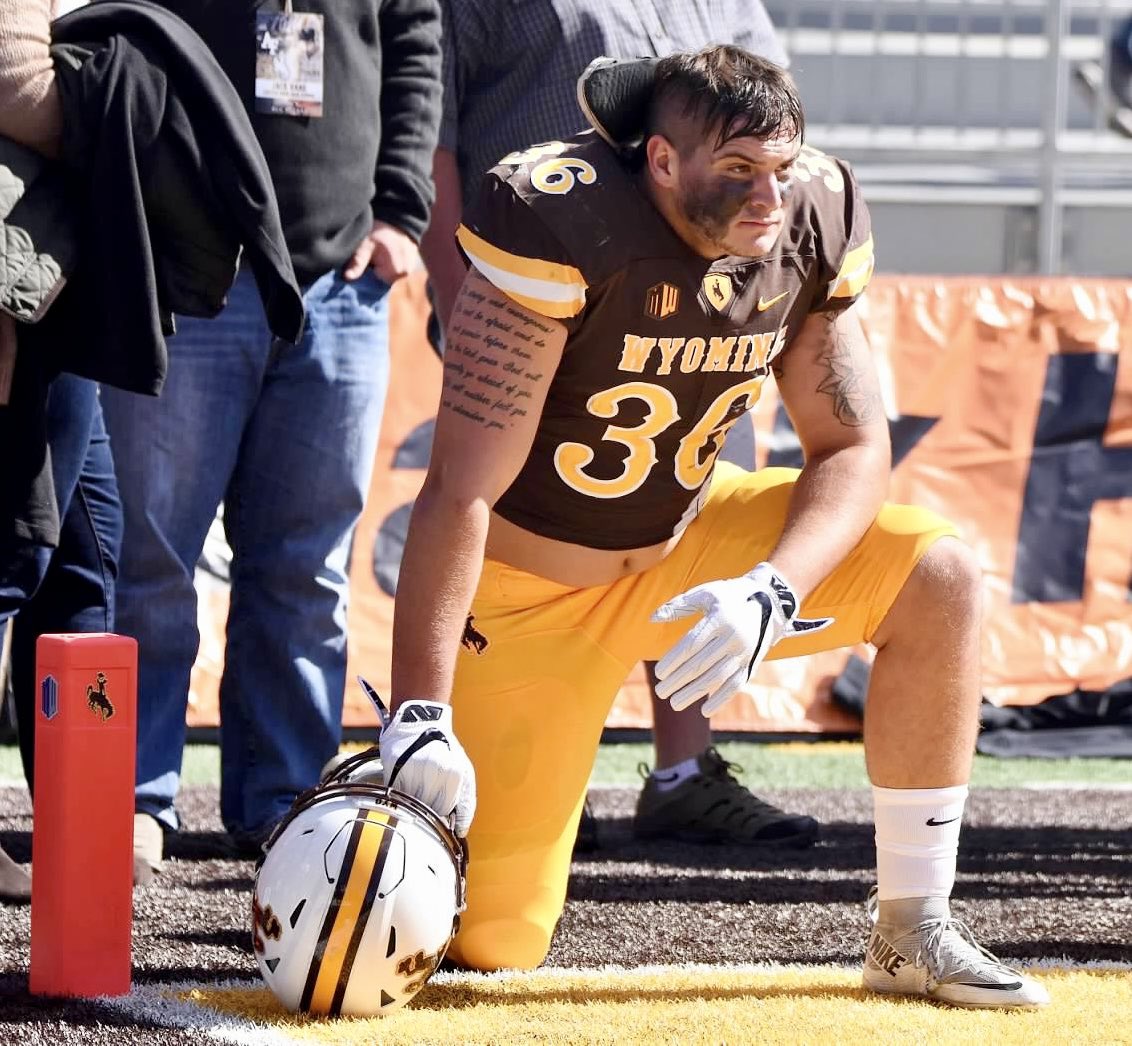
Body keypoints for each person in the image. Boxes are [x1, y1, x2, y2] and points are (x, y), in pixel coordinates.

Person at [378, 46, 1050, 1007]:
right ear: (659, 161)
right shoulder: (562, 215)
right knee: (487, 941)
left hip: (684, 550)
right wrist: (420, 713)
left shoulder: (811, 213)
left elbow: (853, 447)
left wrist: (773, 586)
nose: (769, 197)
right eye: (737, 172)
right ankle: (376, 768)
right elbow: (457, 492)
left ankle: (915, 930)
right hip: (527, 595)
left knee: (937, 576)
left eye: (780, 169)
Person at [419, 0, 818, 849]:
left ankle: (686, 768)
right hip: (545, 295)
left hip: (706, 307)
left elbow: (773, 114)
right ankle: (498, 763)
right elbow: (435, 135)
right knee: (512, 516)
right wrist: (463, 295)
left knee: (684, 517)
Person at [103, 0, 443, 875]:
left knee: (306, 564)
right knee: (151, 558)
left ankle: (284, 802)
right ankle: (134, 797)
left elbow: (415, 42)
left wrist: (401, 210)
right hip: (186, 272)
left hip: (339, 280)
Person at [0, 1, 123, 902]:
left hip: (56, 274)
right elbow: (13, 73)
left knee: (82, 557)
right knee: (11, 557)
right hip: (15, 283)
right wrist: (130, 103)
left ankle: (80, 843)